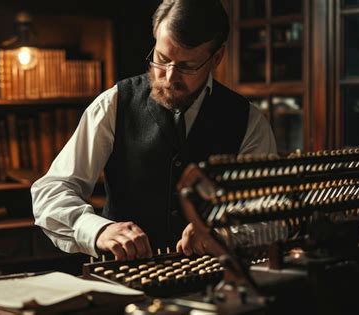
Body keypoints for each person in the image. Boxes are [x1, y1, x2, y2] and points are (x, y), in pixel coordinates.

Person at [31, 0, 277, 261]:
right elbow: (51, 191)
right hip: (121, 285)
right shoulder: (114, 103)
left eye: (186, 66)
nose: (169, 77)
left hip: (215, 287)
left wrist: (225, 233)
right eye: (162, 59)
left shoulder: (248, 121)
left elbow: (273, 214)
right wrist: (99, 229)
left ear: (216, 58)